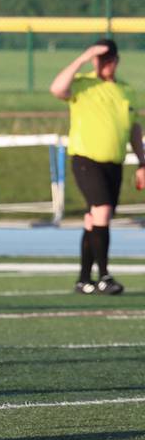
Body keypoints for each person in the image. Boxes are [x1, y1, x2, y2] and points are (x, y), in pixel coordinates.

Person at [50, 39, 145, 295]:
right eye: (99, 59)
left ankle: (84, 279)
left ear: (116, 61)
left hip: (114, 162)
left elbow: (134, 128)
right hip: (86, 159)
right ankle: (104, 276)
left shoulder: (125, 90)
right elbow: (57, 88)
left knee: (94, 219)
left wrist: (142, 161)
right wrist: (83, 57)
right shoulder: (83, 84)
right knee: (102, 211)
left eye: (107, 60)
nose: (103, 64)